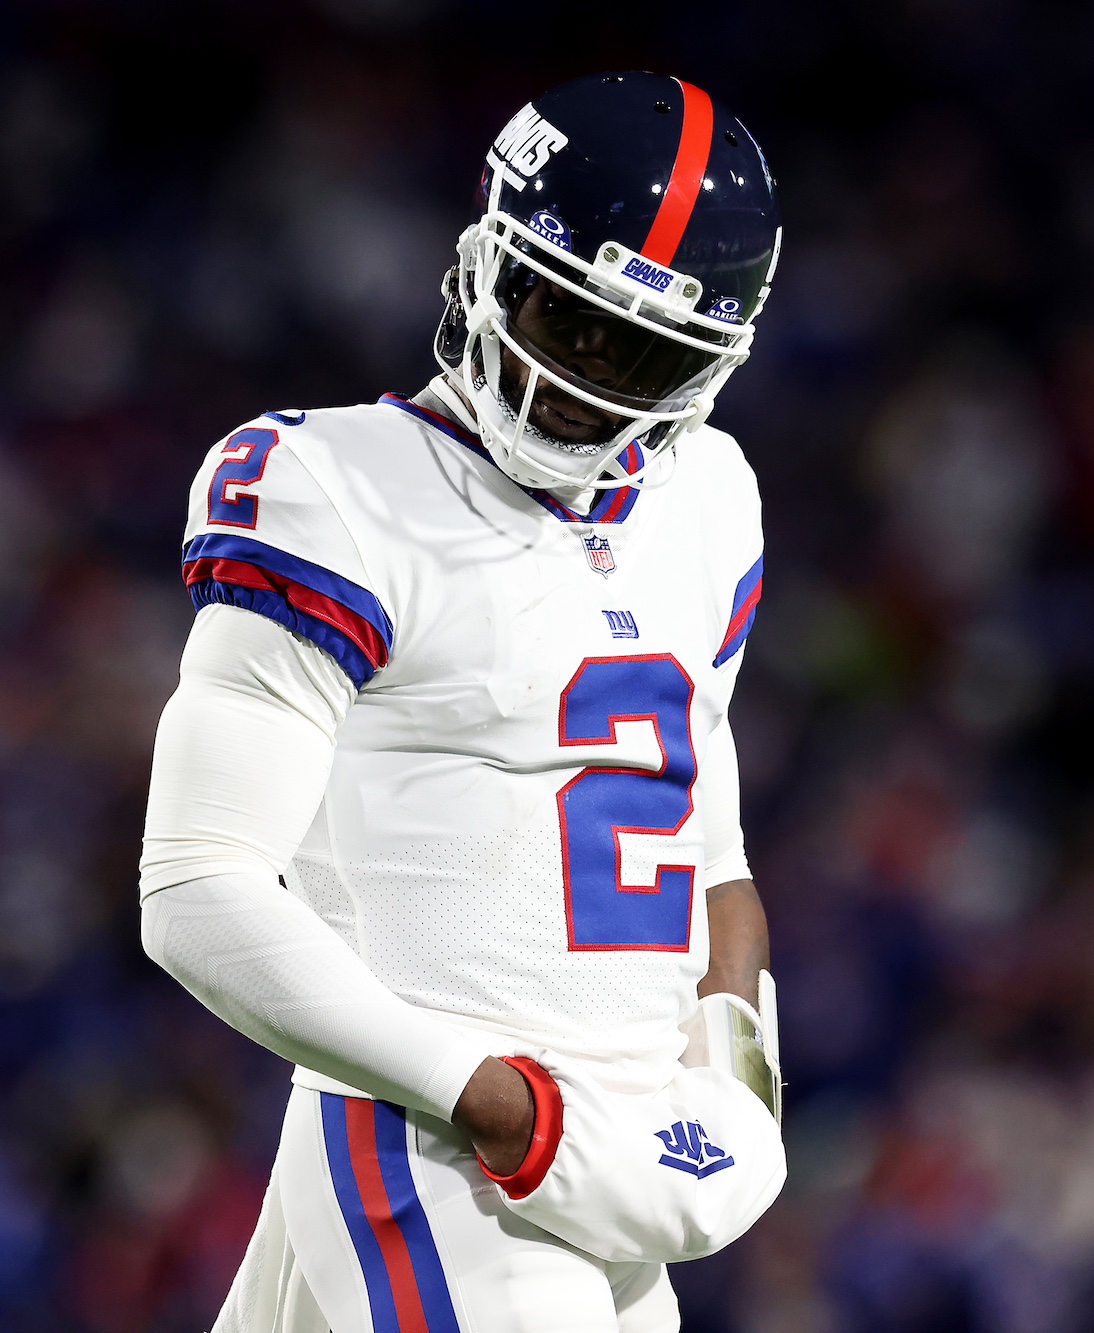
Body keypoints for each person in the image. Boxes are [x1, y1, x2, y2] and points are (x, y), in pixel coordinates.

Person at [139, 71, 785, 1333]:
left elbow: (712, 845)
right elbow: (198, 889)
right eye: (565, 318)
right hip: (439, 1140)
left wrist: (739, 1071)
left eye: (644, 352)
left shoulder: (708, 497)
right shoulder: (332, 486)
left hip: (625, 1149)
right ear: (490, 261)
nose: (586, 379)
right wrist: (492, 1100)